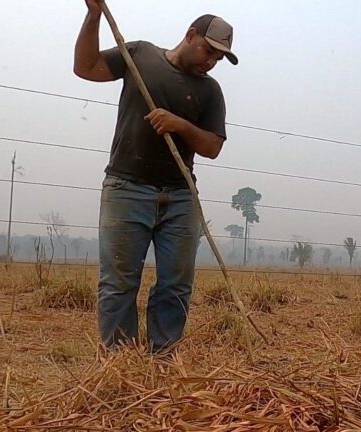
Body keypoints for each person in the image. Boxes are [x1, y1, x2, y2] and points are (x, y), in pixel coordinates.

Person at [73, 0, 238, 352]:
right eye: (209, 51)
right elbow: (87, 68)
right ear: (190, 34)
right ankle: (121, 366)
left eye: (219, 58)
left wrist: (179, 124)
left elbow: (212, 146)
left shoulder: (210, 91)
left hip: (180, 197)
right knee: (118, 283)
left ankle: (163, 361)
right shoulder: (141, 55)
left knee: (176, 286)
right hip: (126, 188)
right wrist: (93, 16)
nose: (211, 61)